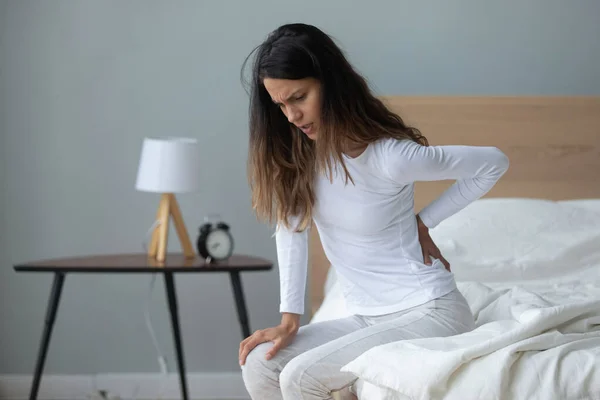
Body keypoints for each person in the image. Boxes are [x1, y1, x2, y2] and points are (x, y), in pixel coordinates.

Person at [238, 23, 509, 400]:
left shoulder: (389, 156)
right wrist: (289, 320)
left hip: (430, 312)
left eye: (299, 97)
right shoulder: (302, 159)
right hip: (366, 315)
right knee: (261, 362)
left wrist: (424, 220)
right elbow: (291, 232)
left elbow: (493, 162)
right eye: (280, 105)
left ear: (331, 83)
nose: (292, 117)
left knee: (300, 377)